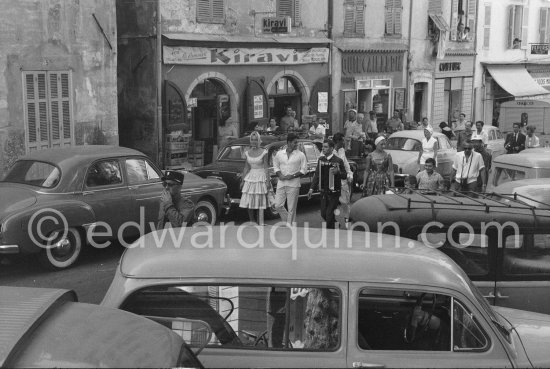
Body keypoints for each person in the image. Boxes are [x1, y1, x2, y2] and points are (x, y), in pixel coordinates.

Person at [308, 140, 346, 229]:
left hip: (334, 193)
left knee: (329, 214)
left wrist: (338, 172)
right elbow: (317, 175)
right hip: (323, 191)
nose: (323, 149)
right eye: (323, 147)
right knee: (324, 214)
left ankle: (329, 235)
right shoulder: (321, 159)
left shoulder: (338, 160)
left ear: (332, 148)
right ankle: (335, 224)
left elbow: (344, 175)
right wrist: (311, 189)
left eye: (325, 147)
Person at [273, 133, 307, 224]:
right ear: (288, 142)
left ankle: (290, 227)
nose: (297, 144)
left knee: (291, 208)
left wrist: (292, 176)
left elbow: (304, 170)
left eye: (297, 143)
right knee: (278, 205)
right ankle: (288, 222)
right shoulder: (280, 154)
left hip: (294, 184)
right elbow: (275, 166)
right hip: (281, 182)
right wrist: (279, 174)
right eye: (295, 143)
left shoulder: (301, 155)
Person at [239, 132, 270, 225]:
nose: (254, 141)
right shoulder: (247, 152)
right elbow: (246, 167)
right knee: (249, 199)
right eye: (252, 139)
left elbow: (266, 167)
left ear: (259, 140)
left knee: (260, 199)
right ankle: (252, 221)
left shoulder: (264, 152)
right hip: (250, 177)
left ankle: (260, 221)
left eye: (255, 139)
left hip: (261, 176)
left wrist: (268, 181)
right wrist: (242, 180)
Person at [332, 133, 354, 228]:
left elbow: (346, 164)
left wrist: (349, 174)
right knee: (332, 204)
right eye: (342, 140)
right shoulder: (329, 151)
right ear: (338, 141)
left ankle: (347, 223)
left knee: (345, 202)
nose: (344, 142)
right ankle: (334, 222)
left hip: (343, 180)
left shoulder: (341, 150)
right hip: (332, 181)